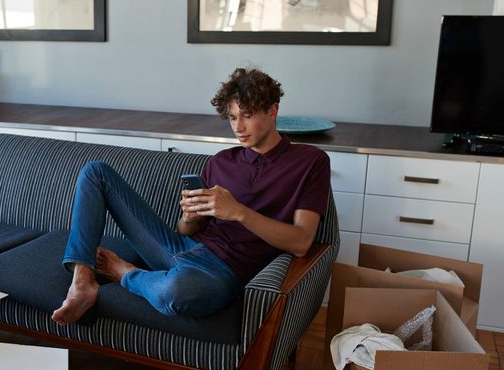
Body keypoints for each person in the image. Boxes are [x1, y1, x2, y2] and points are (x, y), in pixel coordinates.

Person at [52, 67, 331, 325]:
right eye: (232, 117)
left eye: (247, 115)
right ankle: (82, 280)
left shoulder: (310, 162)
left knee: (175, 292)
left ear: (273, 111)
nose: (238, 127)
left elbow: (301, 243)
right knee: (95, 172)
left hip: (224, 272)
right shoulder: (221, 161)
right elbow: (185, 231)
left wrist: (238, 212)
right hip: (180, 248)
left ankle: (125, 273)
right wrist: (189, 217)